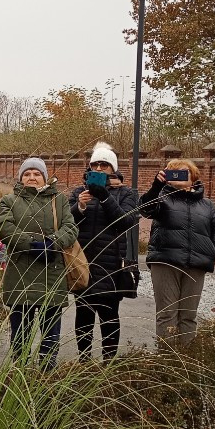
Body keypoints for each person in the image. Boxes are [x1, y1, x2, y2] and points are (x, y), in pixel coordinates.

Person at [0, 157, 79, 368]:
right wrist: (32, 244)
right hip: (19, 275)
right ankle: (20, 369)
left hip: (51, 275)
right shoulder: (9, 201)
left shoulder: (59, 200)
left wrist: (52, 244)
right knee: (20, 332)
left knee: (50, 332)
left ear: (45, 177)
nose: (32, 177)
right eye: (27, 174)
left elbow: (70, 227)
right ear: (21, 177)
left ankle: (47, 373)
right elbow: (5, 228)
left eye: (36, 173)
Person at [139, 159, 215, 346]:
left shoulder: (207, 205)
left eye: (183, 171)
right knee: (167, 313)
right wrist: (156, 186)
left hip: (195, 265)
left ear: (193, 177)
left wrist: (211, 252)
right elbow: (146, 209)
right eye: (173, 171)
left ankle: (187, 360)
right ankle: (168, 363)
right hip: (165, 262)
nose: (178, 174)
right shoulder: (161, 198)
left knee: (188, 315)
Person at [68, 142, 138, 362]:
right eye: (95, 165)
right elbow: (67, 223)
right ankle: (85, 360)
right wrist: (79, 206)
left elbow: (126, 222)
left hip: (111, 263)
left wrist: (106, 197)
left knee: (109, 315)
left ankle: (108, 361)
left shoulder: (126, 194)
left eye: (104, 165)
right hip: (83, 261)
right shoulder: (79, 192)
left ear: (113, 169)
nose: (98, 169)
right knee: (84, 314)